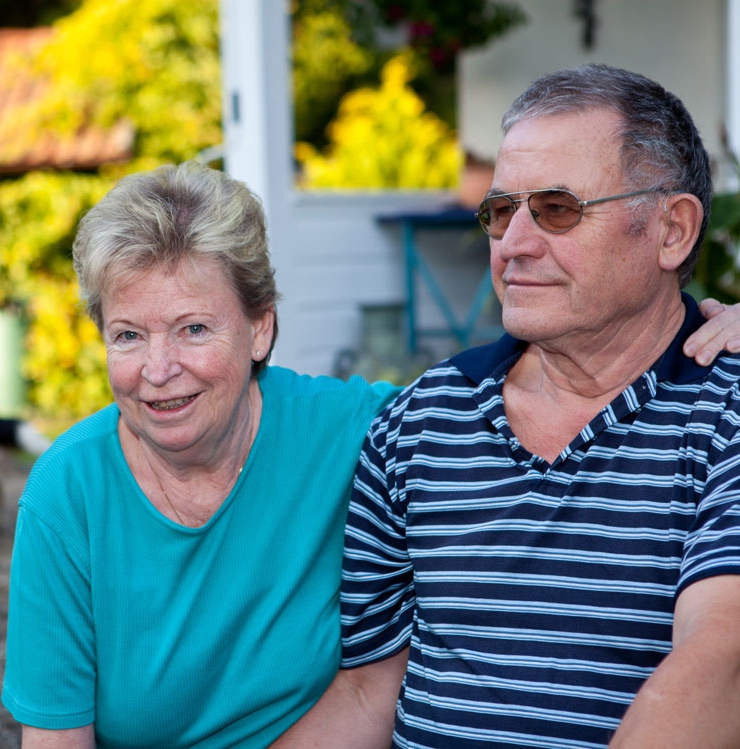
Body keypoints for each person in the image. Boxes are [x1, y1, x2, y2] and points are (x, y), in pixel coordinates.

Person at [3, 160, 740, 748]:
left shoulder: (367, 430)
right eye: (128, 334)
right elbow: (55, 735)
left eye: (194, 328)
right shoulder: (68, 490)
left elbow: (531, 395)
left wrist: (698, 323)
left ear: (260, 329)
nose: (157, 367)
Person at [278, 64, 740, 748]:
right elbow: (370, 687)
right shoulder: (420, 420)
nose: (512, 245)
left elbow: (720, 660)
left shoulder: (722, 413)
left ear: (671, 231)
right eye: (501, 211)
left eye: (556, 209)